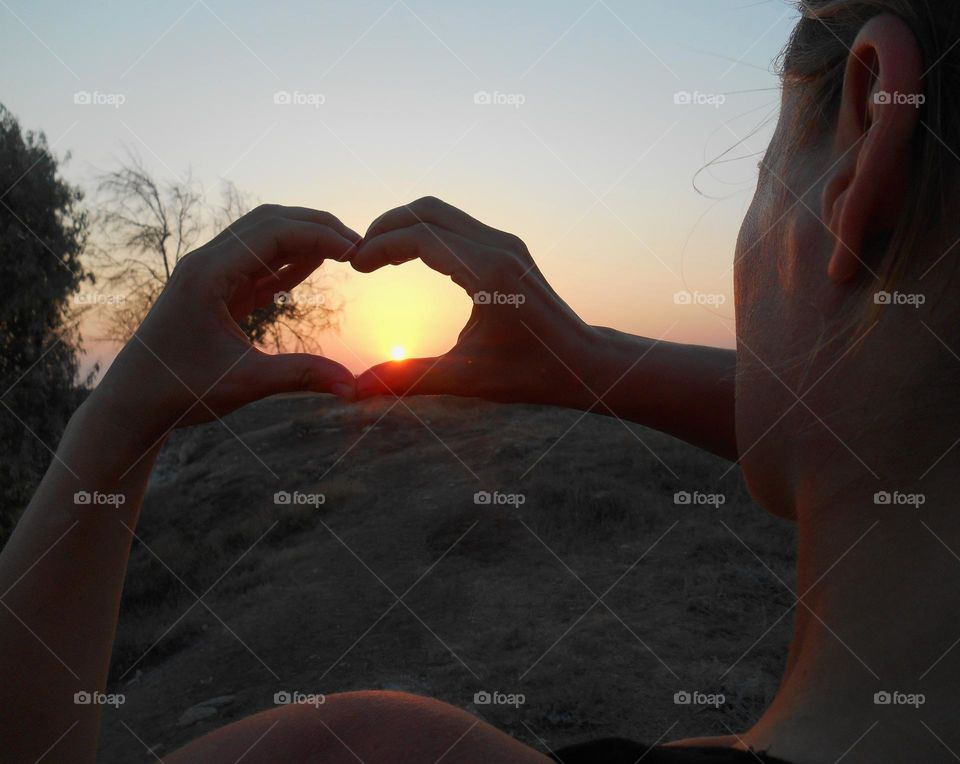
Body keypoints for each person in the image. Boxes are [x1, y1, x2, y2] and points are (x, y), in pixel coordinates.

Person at [1, 1, 958, 761]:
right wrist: (588, 364)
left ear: (868, 130)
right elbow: (883, 423)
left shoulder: (365, 749)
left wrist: (118, 418)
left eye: (766, 166)